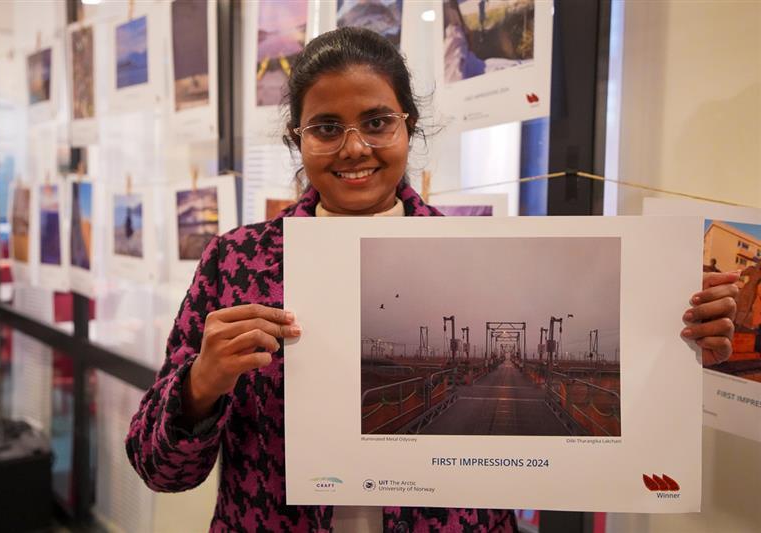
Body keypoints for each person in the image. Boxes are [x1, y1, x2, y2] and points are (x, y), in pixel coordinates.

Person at [125, 27, 739, 532]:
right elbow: (159, 469)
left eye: (376, 121)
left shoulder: (474, 252)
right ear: (298, 139)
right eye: (326, 127)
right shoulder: (237, 263)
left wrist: (673, 342)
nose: (354, 148)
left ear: (409, 126)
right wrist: (200, 385)